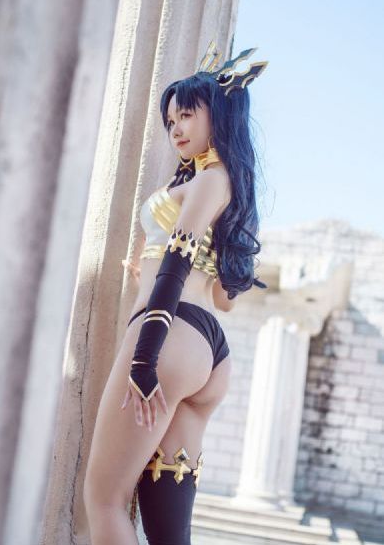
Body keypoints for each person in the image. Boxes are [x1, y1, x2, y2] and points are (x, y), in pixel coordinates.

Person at [84, 39, 268, 544]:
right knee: (169, 535)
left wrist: (144, 359)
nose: (177, 129)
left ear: (219, 116)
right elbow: (224, 296)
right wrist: (143, 271)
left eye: (187, 114)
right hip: (205, 350)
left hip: (167, 339)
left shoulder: (211, 179)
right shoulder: (224, 186)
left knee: (103, 501)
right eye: (170, 121)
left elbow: (176, 262)